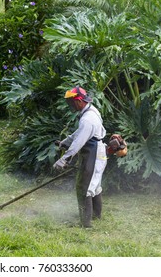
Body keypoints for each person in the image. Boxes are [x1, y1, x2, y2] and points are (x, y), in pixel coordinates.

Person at [53, 86, 107, 228]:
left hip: (93, 154)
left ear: (79, 101)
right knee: (94, 185)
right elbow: (78, 134)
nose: (70, 105)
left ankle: (86, 224)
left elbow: (79, 142)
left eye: (71, 102)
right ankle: (96, 216)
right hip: (97, 152)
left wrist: (64, 159)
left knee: (84, 187)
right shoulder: (90, 111)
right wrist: (65, 143)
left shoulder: (87, 119)